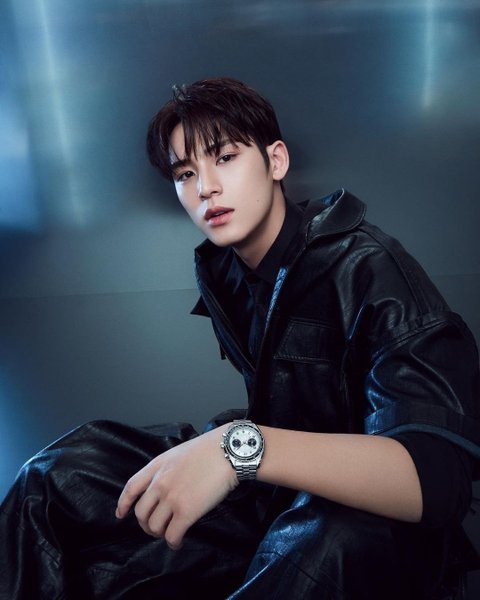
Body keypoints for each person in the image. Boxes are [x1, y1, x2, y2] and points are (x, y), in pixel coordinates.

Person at [1, 77, 480, 600]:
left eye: (225, 157)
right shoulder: (224, 270)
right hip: (277, 491)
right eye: (186, 173)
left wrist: (236, 449)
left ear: (276, 161)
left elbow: (438, 482)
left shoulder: (370, 270)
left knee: (323, 540)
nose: (205, 188)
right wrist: (227, 451)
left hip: (372, 534)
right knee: (59, 475)